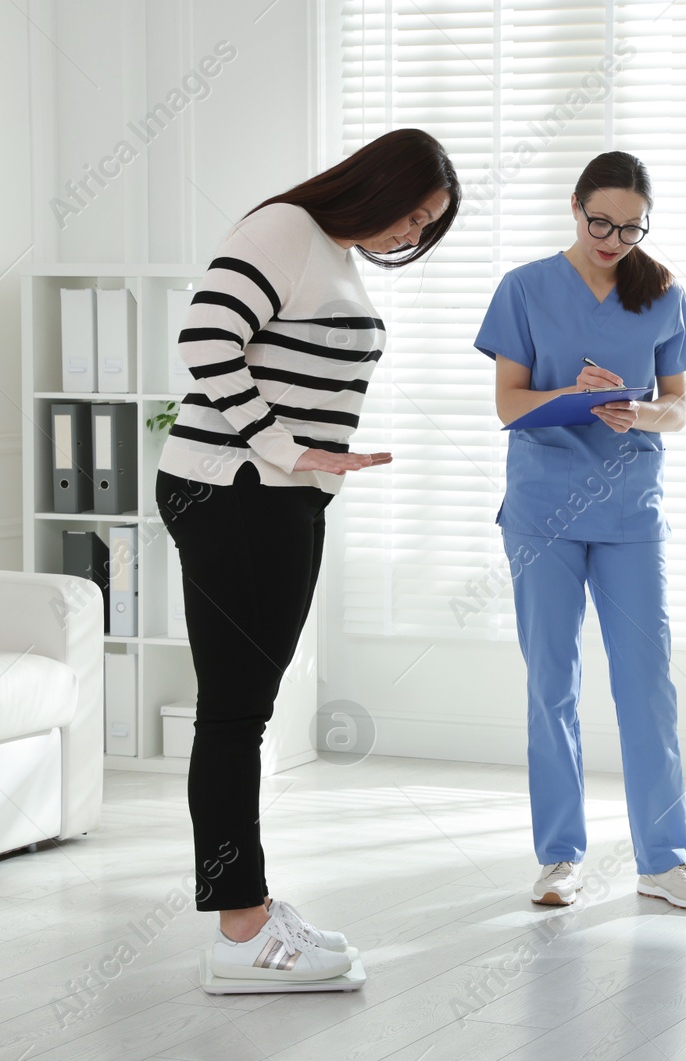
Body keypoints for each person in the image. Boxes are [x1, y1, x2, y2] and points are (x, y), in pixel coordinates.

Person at [155, 128, 459, 982]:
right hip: (231, 488)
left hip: (275, 498)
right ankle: (242, 934)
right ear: (375, 185)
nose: (412, 234)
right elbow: (206, 342)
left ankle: (250, 912)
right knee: (234, 713)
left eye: (428, 227)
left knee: (245, 709)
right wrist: (286, 448)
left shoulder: (331, 253)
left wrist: (302, 467)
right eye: (412, 213)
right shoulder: (284, 230)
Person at [473, 151, 686, 910]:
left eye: (631, 227)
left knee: (648, 687)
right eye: (600, 221)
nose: (613, 238)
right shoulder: (525, 287)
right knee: (553, 684)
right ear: (574, 207)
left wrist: (638, 411)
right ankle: (559, 858)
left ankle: (664, 860)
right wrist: (567, 393)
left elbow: (678, 404)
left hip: (630, 511)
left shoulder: (662, 292)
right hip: (544, 507)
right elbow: (509, 404)